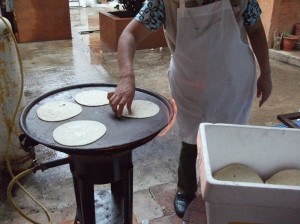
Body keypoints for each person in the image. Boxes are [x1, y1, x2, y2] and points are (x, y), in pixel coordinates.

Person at [107, 0, 272, 218]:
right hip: (190, 83)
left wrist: (266, 74)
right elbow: (129, 35)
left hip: (233, 82)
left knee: (231, 138)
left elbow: (256, 29)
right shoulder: (164, 3)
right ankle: (185, 190)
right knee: (191, 138)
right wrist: (127, 76)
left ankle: (227, 189)